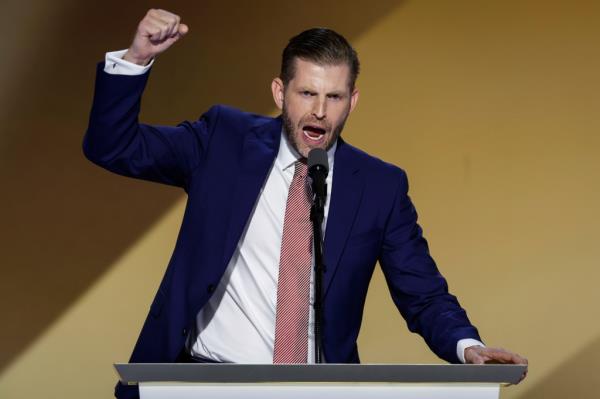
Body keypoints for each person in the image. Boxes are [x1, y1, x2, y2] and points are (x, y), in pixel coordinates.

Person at [83, 9, 528, 399]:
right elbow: (113, 147)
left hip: (318, 390)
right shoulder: (224, 140)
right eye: (306, 94)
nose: (319, 111)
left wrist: (468, 348)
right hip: (204, 382)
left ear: (351, 102)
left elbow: (423, 294)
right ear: (280, 93)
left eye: (333, 97)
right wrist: (137, 59)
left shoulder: (379, 186)